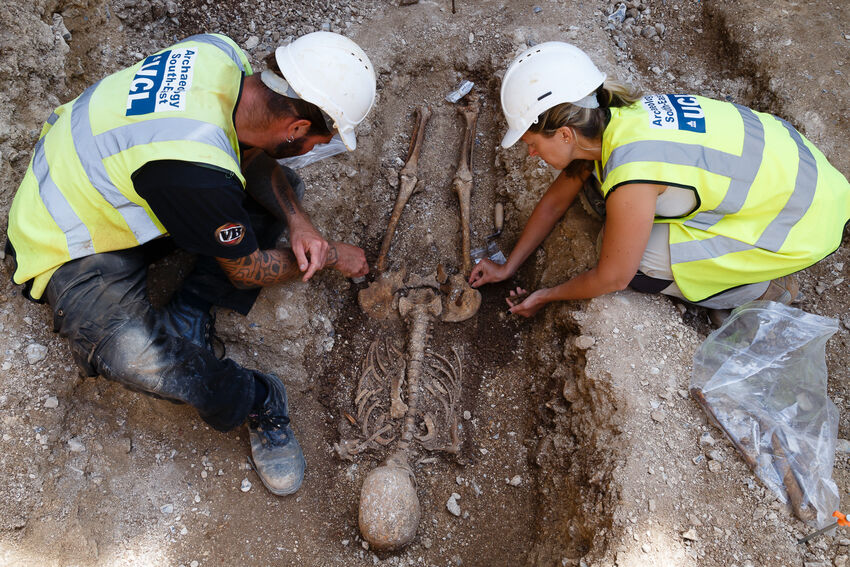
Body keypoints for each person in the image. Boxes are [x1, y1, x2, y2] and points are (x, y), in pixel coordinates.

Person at [4, 31, 377, 496]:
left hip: (106, 177)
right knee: (128, 354)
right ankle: (259, 397)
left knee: (283, 197)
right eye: (314, 144)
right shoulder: (196, 173)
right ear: (297, 129)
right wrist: (333, 257)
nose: (308, 152)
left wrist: (301, 223)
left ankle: (190, 309)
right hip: (68, 238)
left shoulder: (219, 53)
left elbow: (252, 154)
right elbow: (249, 268)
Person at [469, 41, 850, 322]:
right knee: (597, 193)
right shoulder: (613, 118)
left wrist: (545, 296)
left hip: (801, 221)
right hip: (798, 168)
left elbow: (613, 277)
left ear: (566, 135)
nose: (531, 154)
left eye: (532, 144)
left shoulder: (633, 171)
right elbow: (557, 199)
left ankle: (760, 289)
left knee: (635, 262)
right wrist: (509, 265)